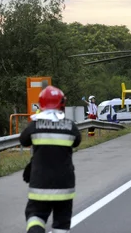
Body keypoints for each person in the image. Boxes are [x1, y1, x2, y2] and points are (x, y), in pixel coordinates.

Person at [20, 85, 81, 233]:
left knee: (35, 216)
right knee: (62, 222)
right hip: (65, 186)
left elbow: (23, 140)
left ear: (41, 104)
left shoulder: (35, 126)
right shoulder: (70, 126)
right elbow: (77, 141)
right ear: (61, 104)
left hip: (40, 185)